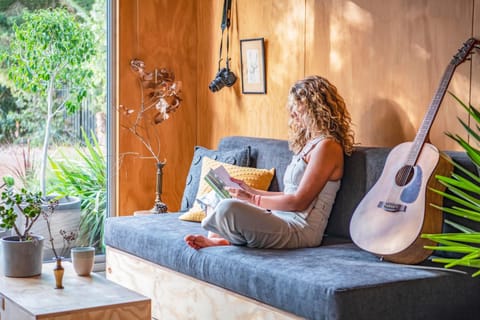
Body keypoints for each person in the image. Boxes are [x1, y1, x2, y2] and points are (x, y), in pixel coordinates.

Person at [185, 75, 355, 250]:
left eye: (298, 105)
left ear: (315, 107)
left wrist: (252, 199)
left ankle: (225, 238)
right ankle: (218, 239)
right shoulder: (310, 145)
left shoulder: (328, 147)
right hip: (280, 218)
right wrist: (248, 189)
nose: (293, 112)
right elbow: (288, 194)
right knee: (218, 194)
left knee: (229, 207)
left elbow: (299, 202)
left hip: (299, 229)